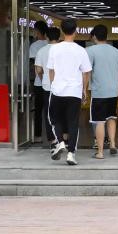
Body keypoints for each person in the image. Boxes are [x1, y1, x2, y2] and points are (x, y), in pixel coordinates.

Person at [46, 18, 91, 166]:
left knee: (54, 119)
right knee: (73, 123)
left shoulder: (54, 49)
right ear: (75, 31)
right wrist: (84, 90)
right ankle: (71, 154)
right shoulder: (81, 50)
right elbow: (86, 72)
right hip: (74, 91)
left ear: (61, 30)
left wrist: (53, 85)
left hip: (57, 90)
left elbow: (51, 70)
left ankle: (60, 142)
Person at [86, 24, 118, 159]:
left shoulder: (90, 51)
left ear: (94, 36)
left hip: (99, 92)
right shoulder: (116, 51)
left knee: (99, 121)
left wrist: (84, 89)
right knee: (111, 117)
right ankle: (113, 144)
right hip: (113, 91)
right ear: (107, 36)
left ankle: (100, 152)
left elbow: (87, 72)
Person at [34, 25, 61, 147]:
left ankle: (52, 139)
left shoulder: (41, 51)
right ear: (59, 37)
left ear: (47, 37)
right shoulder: (63, 50)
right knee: (62, 111)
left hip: (47, 86)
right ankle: (63, 137)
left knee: (48, 113)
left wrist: (43, 78)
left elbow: (38, 70)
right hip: (63, 86)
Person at [27, 23, 48, 139]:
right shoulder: (52, 44)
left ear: (37, 31)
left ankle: (38, 135)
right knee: (51, 110)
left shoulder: (34, 46)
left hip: (39, 83)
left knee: (38, 110)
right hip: (52, 83)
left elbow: (34, 66)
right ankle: (53, 136)